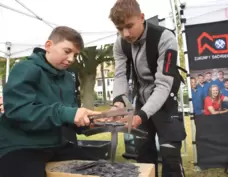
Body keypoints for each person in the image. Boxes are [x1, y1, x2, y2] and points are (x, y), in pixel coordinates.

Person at [0, 26, 100, 177]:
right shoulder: (24, 69)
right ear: (48, 46)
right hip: (20, 146)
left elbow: (69, 115)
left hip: (55, 145)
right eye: (67, 51)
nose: (71, 59)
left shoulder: (67, 78)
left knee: (100, 170)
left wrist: (93, 121)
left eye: (75, 55)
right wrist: (66, 113)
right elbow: (18, 111)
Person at [108, 0, 186, 176]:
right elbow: (121, 74)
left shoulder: (165, 38)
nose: (125, 33)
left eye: (129, 26)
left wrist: (141, 116)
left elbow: (163, 84)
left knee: (170, 156)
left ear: (141, 18)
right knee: (143, 158)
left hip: (166, 101)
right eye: (120, 29)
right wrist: (118, 101)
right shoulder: (120, 43)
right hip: (141, 101)